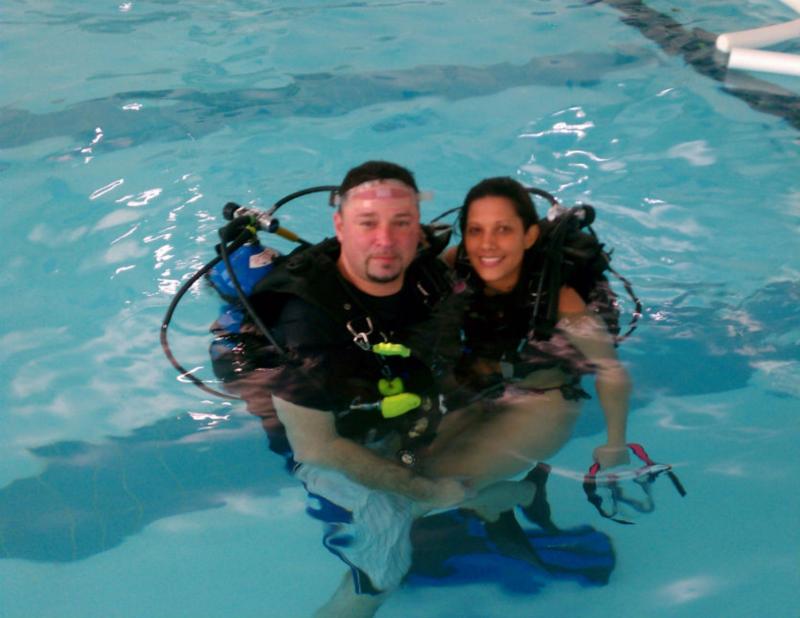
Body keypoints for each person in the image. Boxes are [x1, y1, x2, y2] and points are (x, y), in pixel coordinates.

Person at [246, 161, 469, 617]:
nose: (385, 241)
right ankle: (354, 604)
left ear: (418, 230)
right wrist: (426, 491)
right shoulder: (303, 321)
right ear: (340, 226)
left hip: (392, 401)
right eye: (368, 223)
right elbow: (317, 448)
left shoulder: (426, 275)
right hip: (324, 434)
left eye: (401, 223)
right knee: (388, 536)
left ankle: (499, 500)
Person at [423, 176, 632, 491]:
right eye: (475, 231)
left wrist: (616, 444)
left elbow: (610, 369)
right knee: (397, 464)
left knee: (445, 486)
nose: (487, 244)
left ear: (529, 235)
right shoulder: (457, 262)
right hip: (478, 381)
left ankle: (515, 496)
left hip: (543, 398)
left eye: (503, 229)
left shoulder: (559, 297)